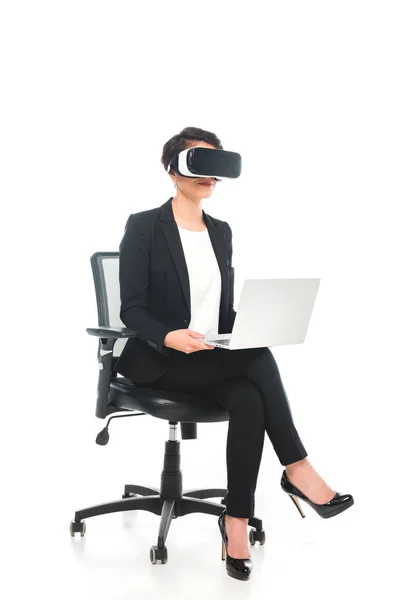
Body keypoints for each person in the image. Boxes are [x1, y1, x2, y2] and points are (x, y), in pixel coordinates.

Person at [116, 126, 353, 580]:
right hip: (159, 360)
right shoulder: (144, 226)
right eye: (201, 164)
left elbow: (221, 310)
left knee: (248, 395)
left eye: (217, 166)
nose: (211, 177)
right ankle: (298, 469)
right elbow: (132, 310)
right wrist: (170, 336)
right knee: (258, 360)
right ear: (173, 170)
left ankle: (236, 521)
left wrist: (252, 325)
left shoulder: (221, 232)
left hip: (211, 358)